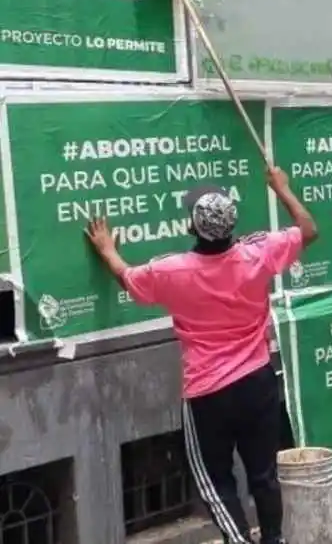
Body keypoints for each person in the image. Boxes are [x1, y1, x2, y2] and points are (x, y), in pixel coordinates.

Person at [86, 166, 318, 544]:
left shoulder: (172, 272)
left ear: (192, 228)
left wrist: (108, 250)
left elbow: (127, 278)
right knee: (263, 475)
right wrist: (282, 189)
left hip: (208, 393)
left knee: (214, 481)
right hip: (258, 382)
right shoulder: (257, 254)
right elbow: (309, 230)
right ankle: (273, 539)